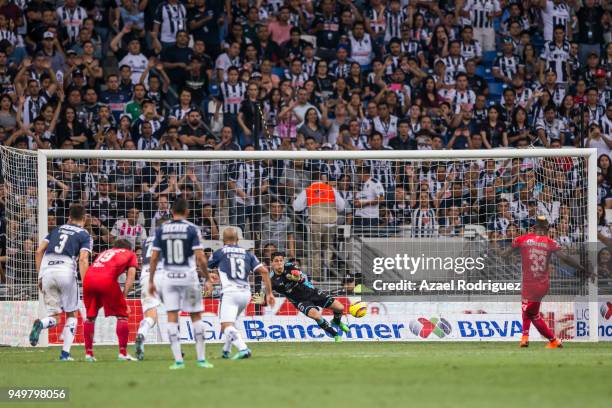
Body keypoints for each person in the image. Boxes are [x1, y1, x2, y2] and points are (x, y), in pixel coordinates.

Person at [498, 216, 585, 348]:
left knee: (526, 310)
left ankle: (525, 338)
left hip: (529, 283)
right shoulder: (550, 242)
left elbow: (504, 254)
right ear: (547, 229)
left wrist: (510, 258)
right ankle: (553, 341)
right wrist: (581, 268)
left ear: (533, 228)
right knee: (533, 314)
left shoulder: (522, 239)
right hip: (543, 284)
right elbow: (565, 258)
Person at [148, 198, 213, 369]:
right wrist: (207, 278)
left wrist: (150, 280)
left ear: (171, 211)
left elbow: (154, 258)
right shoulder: (192, 229)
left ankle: (178, 361)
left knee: (172, 316)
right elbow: (200, 258)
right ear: (187, 212)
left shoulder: (161, 229)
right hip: (189, 278)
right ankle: (201, 359)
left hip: (169, 278)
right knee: (196, 316)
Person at [29, 203, 92, 361]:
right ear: (84, 218)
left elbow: (38, 251)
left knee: (55, 317)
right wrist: (86, 283)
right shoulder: (84, 234)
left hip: (47, 273)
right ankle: (65, 355)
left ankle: (41, 324)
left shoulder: (55, 230)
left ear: (69, 218)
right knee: (72, 315)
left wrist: (40, 276)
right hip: (66, 273)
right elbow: (83, 259)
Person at [208, 227, 275, 359]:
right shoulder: (247, 253)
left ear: (222, 240)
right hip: (245, 294)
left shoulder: (219, 252)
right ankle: (226, 351)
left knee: (225, 325)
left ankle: (243, 349)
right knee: (231, 323)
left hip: (230, 293)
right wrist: (269, 294)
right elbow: (265, 271)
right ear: (238, 239)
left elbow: (203, 266)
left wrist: (209, 276)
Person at [256, 252, 349, 341]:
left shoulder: (289, 266)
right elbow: (264, 291)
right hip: (300, 301)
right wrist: (260, 299)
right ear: (272, 263)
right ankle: (335, 335)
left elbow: (299, 276)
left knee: (340, 308)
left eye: (281, 260)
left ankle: (336, 321)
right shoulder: (271, 279)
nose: (279, 263)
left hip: (312, 292)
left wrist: (294, 277)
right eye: (276, 261)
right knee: (316, 316)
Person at [82, 239, 138, 362]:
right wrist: (124, 295)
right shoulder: (130, 253)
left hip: (88, 279)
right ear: (129, 248)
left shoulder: (104, 252)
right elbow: (131, 274)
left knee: (90, 317)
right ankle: (123, 353)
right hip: (106, 280)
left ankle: (89, 354)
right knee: (122, 315)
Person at [134, 216, 169, 361]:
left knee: (151, 316)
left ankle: (142, 332)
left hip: (146, 276)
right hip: (164, 275)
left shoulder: (146, 240)